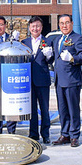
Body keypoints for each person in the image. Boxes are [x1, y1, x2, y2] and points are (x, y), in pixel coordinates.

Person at [52, 14, 82, 147]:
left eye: (67, 23)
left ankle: (74, 135)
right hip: (59, 79)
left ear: (72, 23)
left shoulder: (78, 38)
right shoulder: (57, 39)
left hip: (72, 79)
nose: (64, 26)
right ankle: (64, 133)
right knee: (62, 109)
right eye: (61, 23)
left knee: (73, 109)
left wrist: (72, 58)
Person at [23, 16, 52, 144]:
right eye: (33, 26)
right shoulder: (24, 42)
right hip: (28, 81)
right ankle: (33, 134)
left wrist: (49, 55)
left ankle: (45, 134)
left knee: (44, 108)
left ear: (41, 28)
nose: (35, 28)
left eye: (38, 26)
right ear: (29, 28)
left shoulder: (48, 41)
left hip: (42, 80)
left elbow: (51, 60)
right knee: (31, 109)